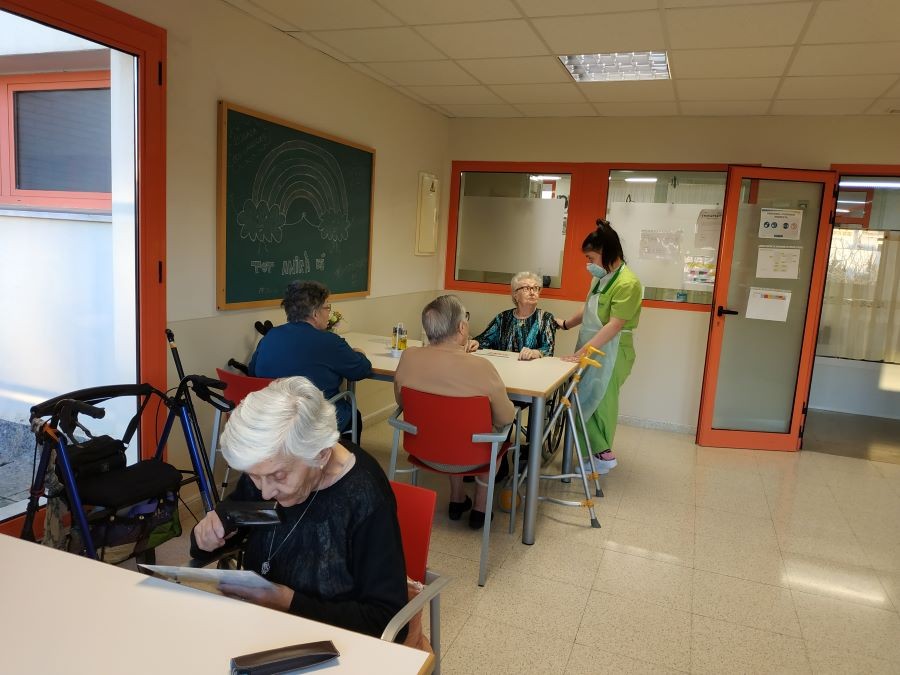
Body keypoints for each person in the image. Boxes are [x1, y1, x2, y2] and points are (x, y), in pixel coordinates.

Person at [191, 377, 408, 640]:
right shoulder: (268, 467)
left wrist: (287, 601)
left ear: (321, 454)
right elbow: (232, 525)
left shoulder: (365, 497)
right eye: (254, 476)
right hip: (258, 625)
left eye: (279, 476)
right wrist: (207, 534)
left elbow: (385, 620)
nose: (265, 492)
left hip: (331, 641)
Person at [394, 295, 516, 530]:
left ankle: (457, 498)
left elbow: (401, 401)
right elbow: (505, 418)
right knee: (493, 432)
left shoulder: (408, 357)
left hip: (422, 451)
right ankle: (480, 508)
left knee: (448, 426)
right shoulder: (482, 367)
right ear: (461, 327)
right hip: (472, 457)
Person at [556, 219, 642, 473]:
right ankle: (592, 453)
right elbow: (589, 307)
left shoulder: (628, 283)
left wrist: (580, 353)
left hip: (614, 351)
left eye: (591, 258)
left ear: (607, 253)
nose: (589, 264)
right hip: (594, 346)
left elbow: (614, 325)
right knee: (580, 399)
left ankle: (603, 455)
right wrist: (565, 324)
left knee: (599, 402)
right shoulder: (602, 277)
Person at [249, 280, 371, 438]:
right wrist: (360, 353)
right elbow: (361, 370)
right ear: (315, 314)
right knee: (353, 414)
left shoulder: (270, 336)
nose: (328, 313)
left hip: (275, 421)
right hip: (313, 421)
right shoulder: (329, 342)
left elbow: (253, 372)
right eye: (327, 307)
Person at [470, 270, 557, 360]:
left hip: (531, 366)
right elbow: (485, 338)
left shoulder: (546, 318)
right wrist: (477, 342)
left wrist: (535, 352)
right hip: (504, 364)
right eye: (526, 288)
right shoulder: (503, 318)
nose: (532, 292)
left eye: (535, 288)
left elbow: (548, 349)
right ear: (515, 295)